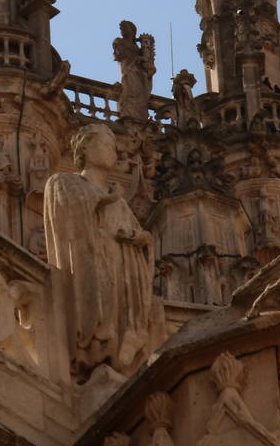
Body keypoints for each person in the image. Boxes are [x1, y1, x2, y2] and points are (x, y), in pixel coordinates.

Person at [43, 123, 163, 383]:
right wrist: (104, 201)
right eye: (106, 144)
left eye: (113, 146)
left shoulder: (120, 201)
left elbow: (141, 237)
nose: (113, 151)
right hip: (90, 264)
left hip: (120, 269)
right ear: (85, 148)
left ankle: (126, 340)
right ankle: (95, 350)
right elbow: (67, 216)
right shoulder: (63, 181)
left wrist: (139, 238)